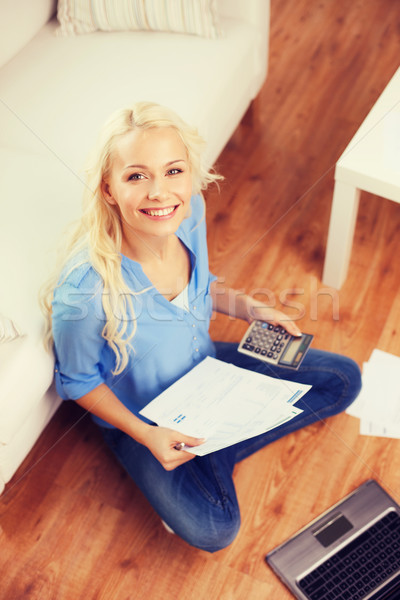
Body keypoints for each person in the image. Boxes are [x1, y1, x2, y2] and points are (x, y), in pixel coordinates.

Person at [43, 101, 361, 553]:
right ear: (109, 190)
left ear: (190, 175)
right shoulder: (85, 288)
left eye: (173, 171)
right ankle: (215, 442)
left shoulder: (188, 214)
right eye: (137, 176)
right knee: (215, 527)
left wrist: (251, 309)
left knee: (344, 380)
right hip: (146, 418)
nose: (160, 192)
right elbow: (77, 381)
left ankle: (218, 445)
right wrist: (148, 435)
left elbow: (202, 286)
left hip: (206, 372)